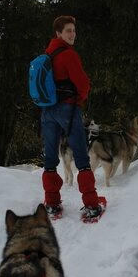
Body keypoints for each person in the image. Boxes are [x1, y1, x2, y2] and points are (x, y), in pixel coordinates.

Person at [41, 15, 103, 220]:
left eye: (74, 30)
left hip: (47, 110)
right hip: (68, 109)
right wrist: (79, 100)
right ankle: (92, 205)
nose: (72, 34)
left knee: (50, 158)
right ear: (58, 33)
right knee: (82, 157)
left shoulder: (47, 53)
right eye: (68, 30)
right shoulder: (68, 55)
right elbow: (83, 84)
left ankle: (51, 203)